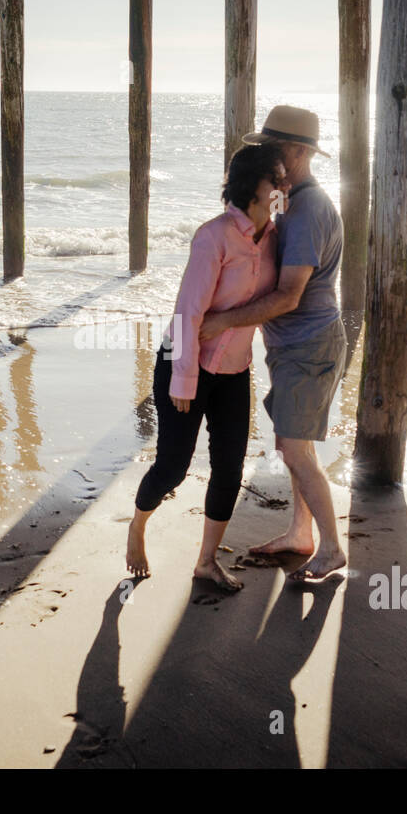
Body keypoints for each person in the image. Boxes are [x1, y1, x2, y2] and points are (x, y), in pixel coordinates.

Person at [126, 144, 287, 592]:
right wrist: (183, 377)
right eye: (276, 179)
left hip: (236, 371)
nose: (283, 186)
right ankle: (138, 526)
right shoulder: (213, 237)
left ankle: (206, 561)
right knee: (174, 467)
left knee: (229, 468)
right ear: (253, 189)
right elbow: (187, 313)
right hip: (185, 363)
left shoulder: (275, 237)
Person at [200, 105, 348, 582]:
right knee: (293, 445)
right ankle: (300, 534)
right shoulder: (293, 200)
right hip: (296, 346)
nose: (265, 154)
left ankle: (330, 549)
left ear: (301, 152)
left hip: (308, 344)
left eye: (274, 146)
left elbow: (289, 296)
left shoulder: (307, 210)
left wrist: (223, 320)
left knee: (295, 450)